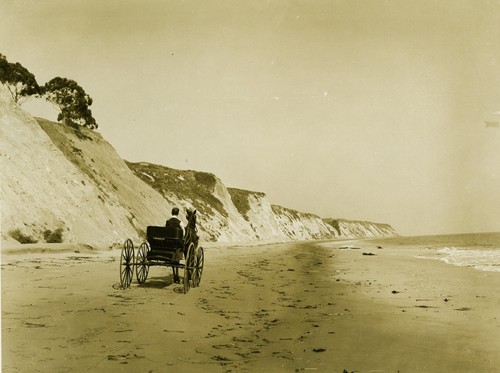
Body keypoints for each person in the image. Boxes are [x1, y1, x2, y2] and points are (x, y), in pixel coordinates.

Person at [166, 207, 185, 283]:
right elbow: (183, 232)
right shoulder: (180, 222)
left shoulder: (167, 221)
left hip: (167, 243)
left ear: (171, 213)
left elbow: (165, 230)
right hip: (176, 244)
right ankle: (181, 256)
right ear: (178, 213)